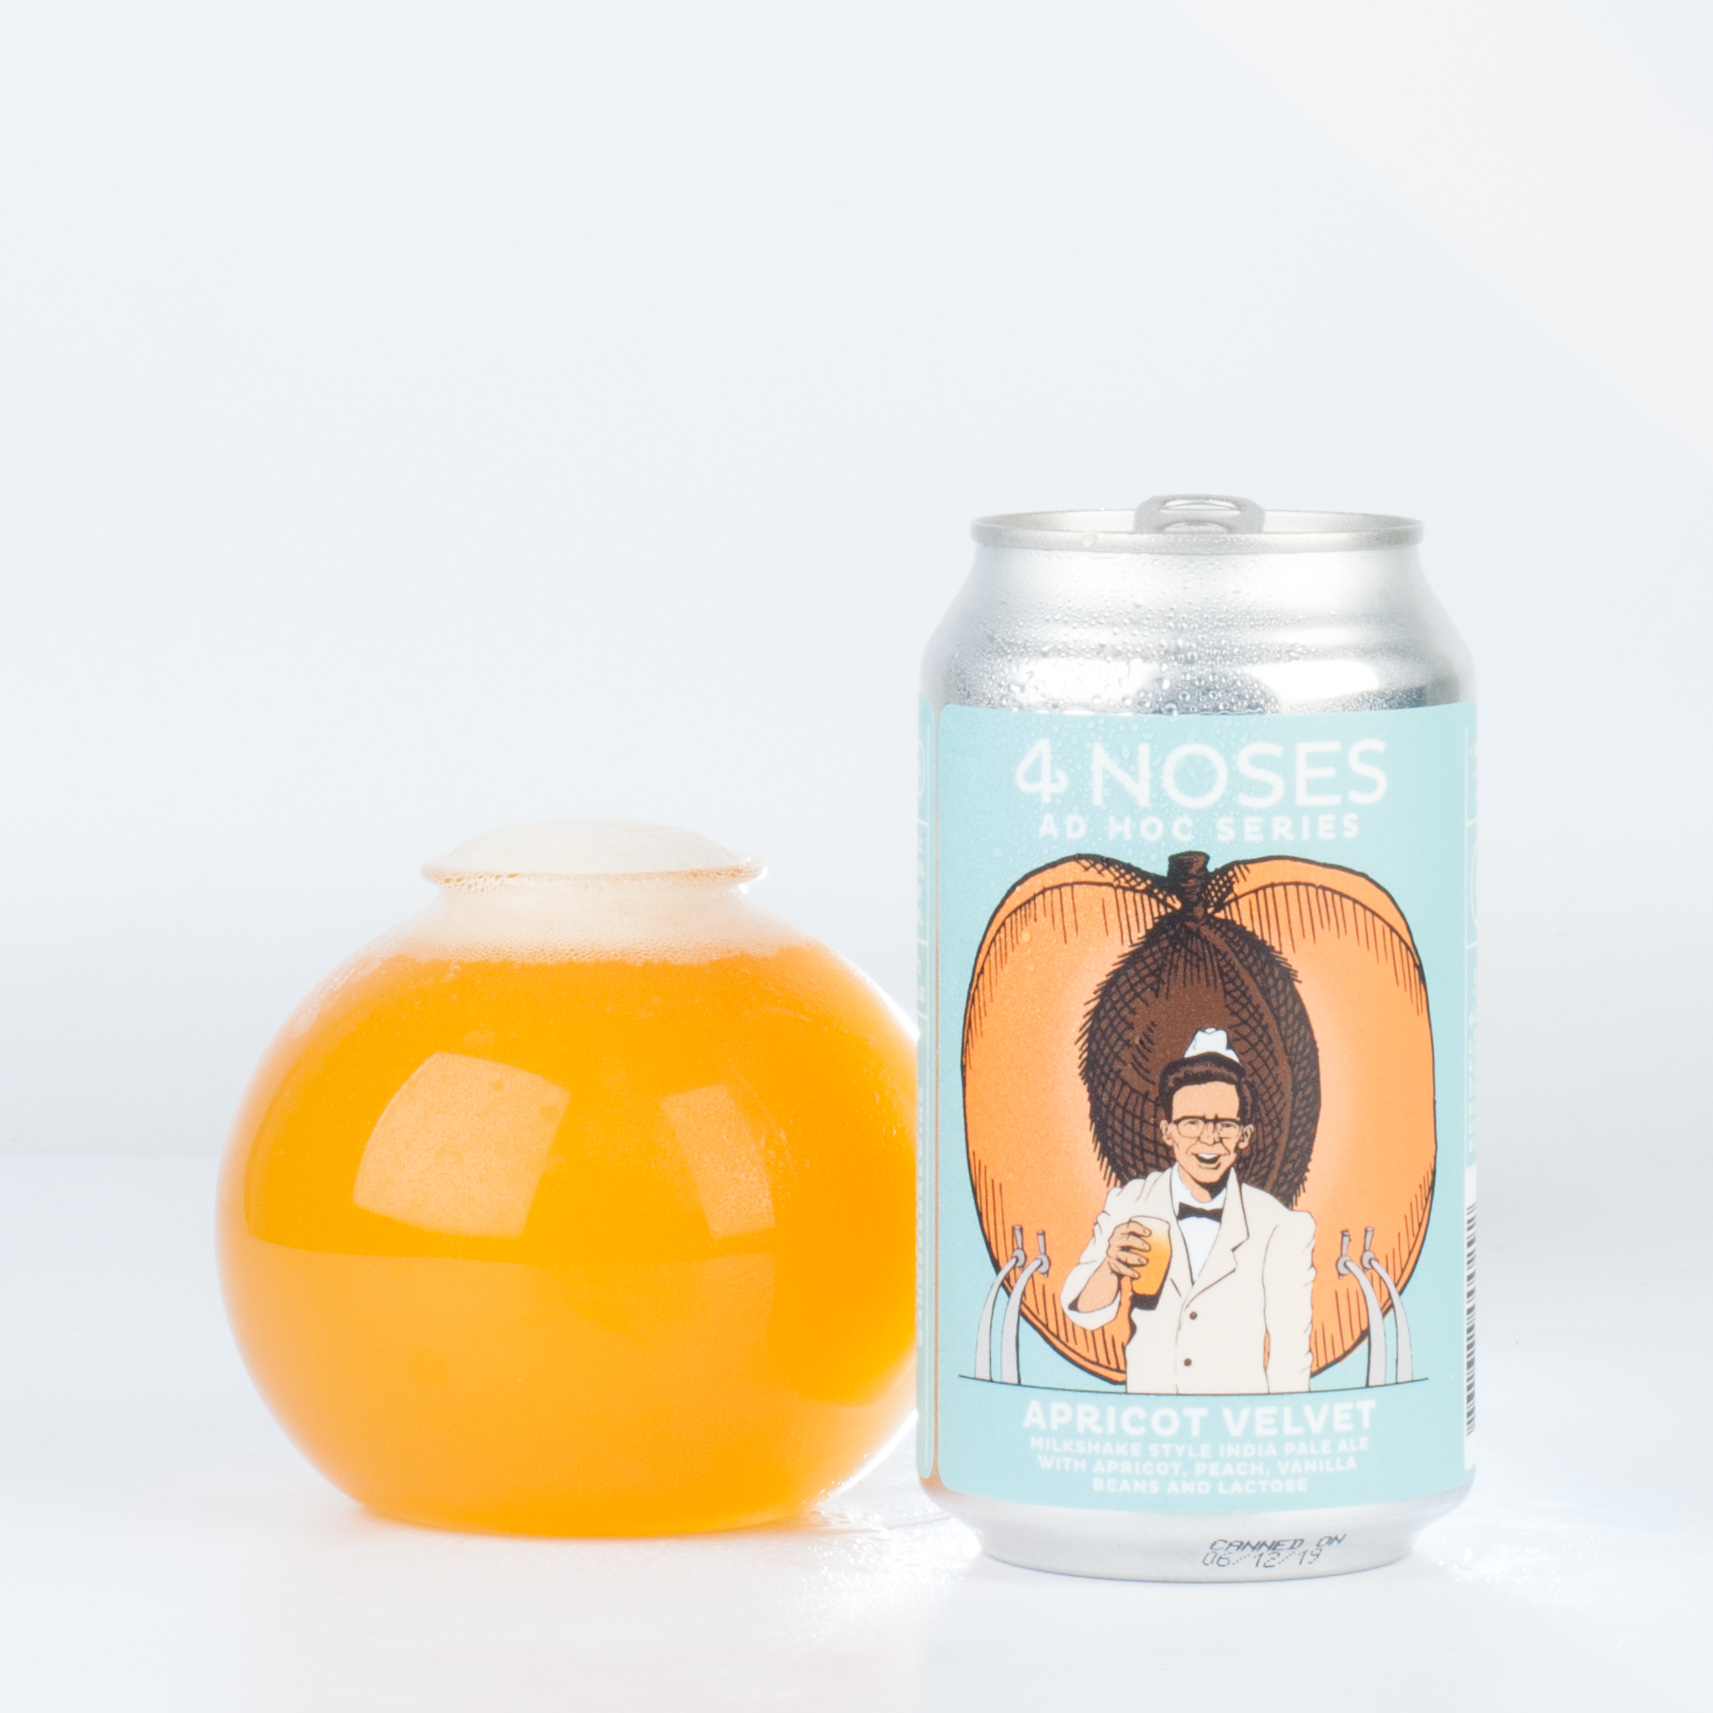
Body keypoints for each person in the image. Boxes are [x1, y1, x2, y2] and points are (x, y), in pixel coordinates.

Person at [1061, 1029, 1315, 1394]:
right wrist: (1110, 1267)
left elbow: (1291, 1352)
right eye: (1191, 1123)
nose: (1208, 1139)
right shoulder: (1131, 1203)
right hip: (1150, 1414)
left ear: (1244, 1136)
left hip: (1238, 1416)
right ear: (1168, 1132)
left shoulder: (1279, 1226)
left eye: (1224, 1125)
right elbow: (1082, 1312)